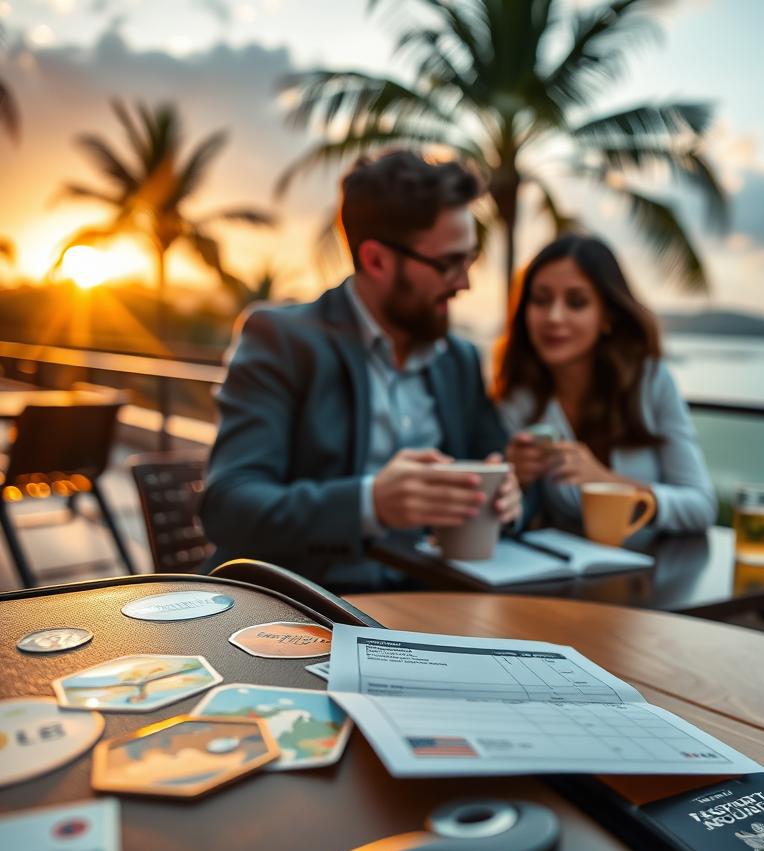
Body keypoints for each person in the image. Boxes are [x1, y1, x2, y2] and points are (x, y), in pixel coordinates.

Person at [201, 150, 520, 590]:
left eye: (471, 258)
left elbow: (500, 464)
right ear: (376, 260)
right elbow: (230, 507)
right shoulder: (281, 339)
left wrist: (509, 496)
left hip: (440, 607)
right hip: (309, 613)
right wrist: (371, 503)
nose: (465, 282)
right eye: (449, 263)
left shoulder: (458, 359)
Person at [493, 233, 716, 535]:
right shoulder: (519, 400)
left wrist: (604, 482)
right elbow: (519, 516)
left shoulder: (650, 383)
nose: (554, 317)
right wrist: (514, 479)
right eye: (541, 300)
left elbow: (700, 507)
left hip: (656, 572)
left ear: (607, 316)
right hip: (564, 576)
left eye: (577, 302)